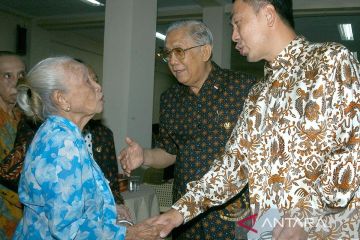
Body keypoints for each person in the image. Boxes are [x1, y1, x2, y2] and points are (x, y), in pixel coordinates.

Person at [148, 0, 360, 240]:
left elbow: (351, 153)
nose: (234, 36)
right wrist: (178, 212)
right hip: (266, 231)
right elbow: (233, 165)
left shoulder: (330, 62)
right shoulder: (258, 93)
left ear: (268, 14)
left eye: (238, 23)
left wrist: (306, 218)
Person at [120, 20, 257, 239]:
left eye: (179, 51)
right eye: (168, 54)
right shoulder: (170, 99)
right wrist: (143, 156)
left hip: (237, 214)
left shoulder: (245, 89)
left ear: (205, 51)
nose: (172, 61)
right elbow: (170, 152)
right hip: (184, 214)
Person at [13, 56, 160, 239]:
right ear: (62, 99)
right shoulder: (62, 144)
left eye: (94, 80)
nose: (98, 86)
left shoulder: (63, 134)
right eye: (87, 81)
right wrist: (129, 234)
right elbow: (68, 230)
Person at [0, 51, 25, 239]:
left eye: (21, 75)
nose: (16, 82)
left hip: (25, 217)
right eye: (7, 75)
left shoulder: (25, 118)